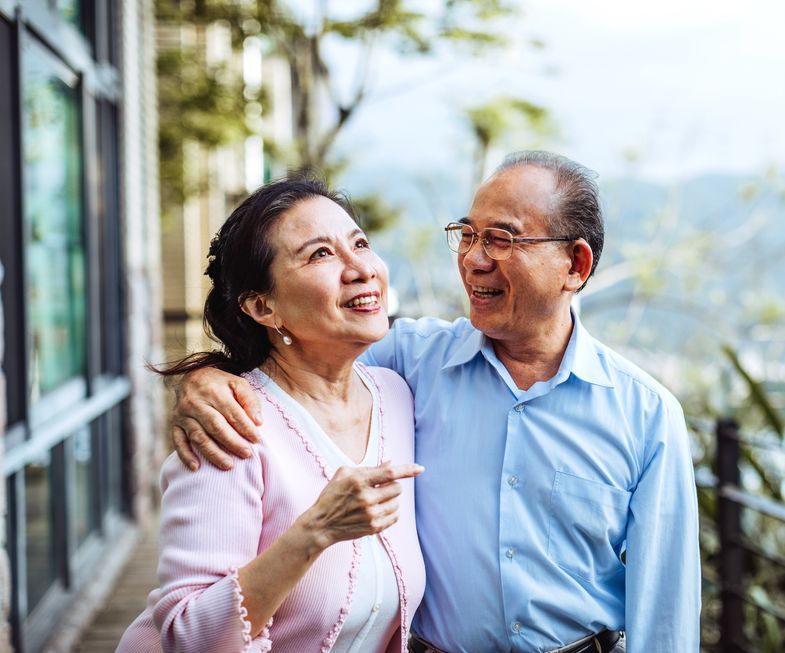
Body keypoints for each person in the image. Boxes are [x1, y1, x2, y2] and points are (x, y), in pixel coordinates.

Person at [172, 152, 701, 652]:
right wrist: (208, 376)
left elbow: (665, 609)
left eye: (500, 239)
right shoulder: (409, 365)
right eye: (467, 235)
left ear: (575, 265)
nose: (473, 259)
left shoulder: (646, 414)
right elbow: (303, 354)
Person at [117, 179, 425, 653]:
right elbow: (186, 635)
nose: (360, 268)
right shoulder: (230, 427)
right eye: (320, 254)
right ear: (263, 306)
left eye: (360, 243)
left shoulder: (398, 394)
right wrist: (316, 530)